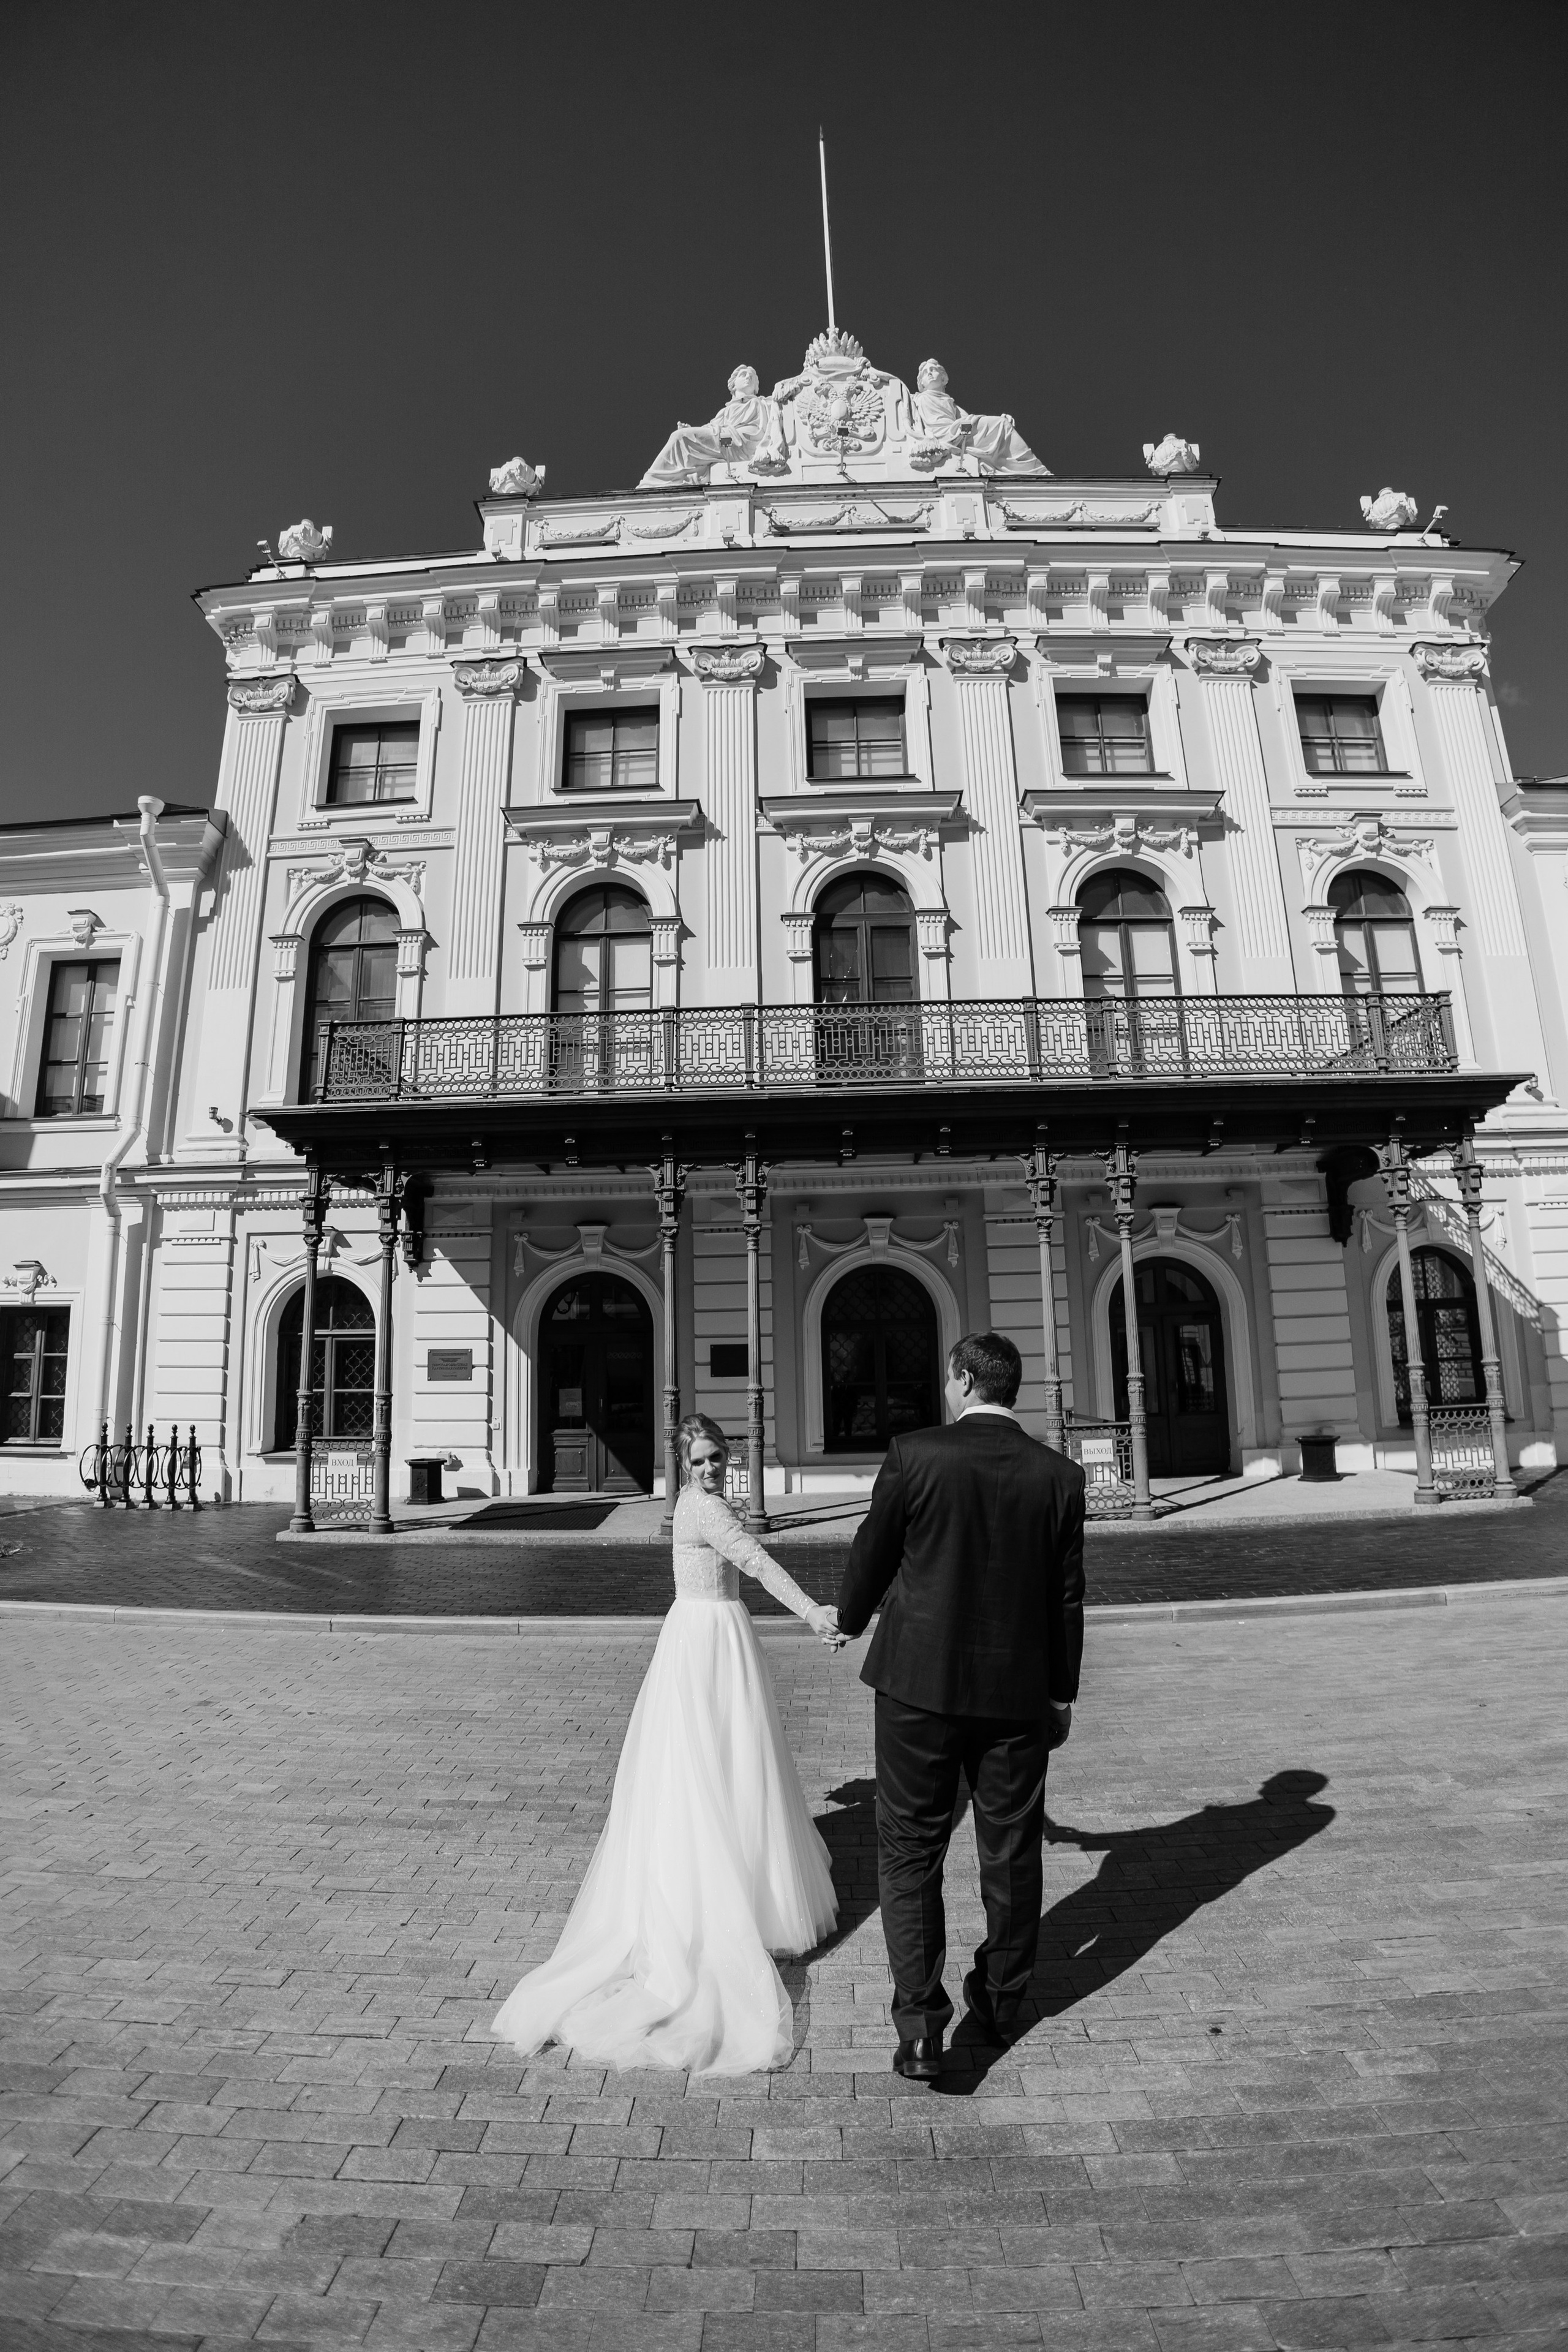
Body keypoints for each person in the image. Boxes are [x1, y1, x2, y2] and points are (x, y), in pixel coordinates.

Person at [492, 1414, 845, 2077]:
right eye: (703, 1460)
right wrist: (811, 1612)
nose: (713, 1468)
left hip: (706, 1638)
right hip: (708, 1644)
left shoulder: (699, 1503)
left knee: (729, 1769)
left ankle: (737, 1875)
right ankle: (725, 1896)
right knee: (719, 1768)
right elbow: (756, 1560)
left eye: (719, 1457)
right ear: (686, 1464)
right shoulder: (705, 1511)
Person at [835, 1330, 1086, 2082]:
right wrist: (1060, 1693)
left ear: (963, 1381)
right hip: (1017, 1694)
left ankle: (920, 2027)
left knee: (910, 1850)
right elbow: (1066, 1597)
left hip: (917, 1686)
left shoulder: (916, 1454)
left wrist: (846, 1620)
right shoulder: (1059, 1476)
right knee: (1009, 1852)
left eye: (949, 1379)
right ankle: (1002, 2000)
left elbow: (872, 1551)